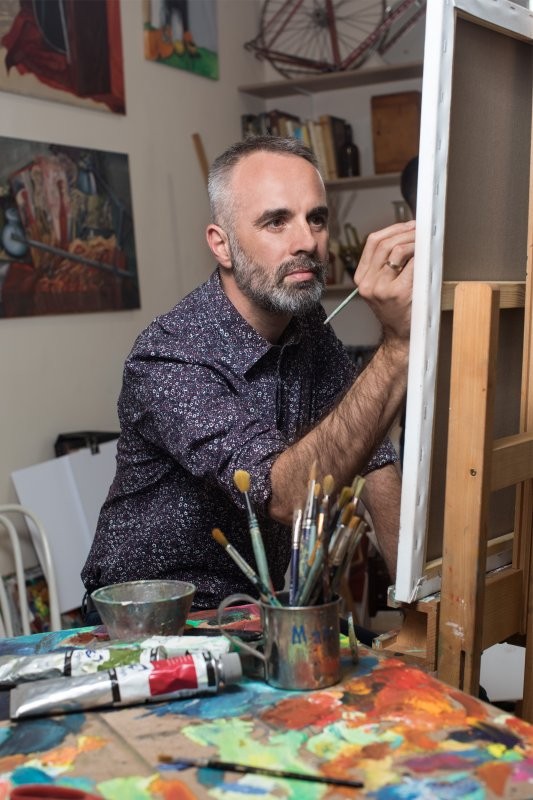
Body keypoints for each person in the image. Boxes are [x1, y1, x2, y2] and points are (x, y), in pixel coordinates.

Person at [81, 135, 414, 617]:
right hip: (153, 624)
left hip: (257, 611)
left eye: (316, 218)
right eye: (276, 221)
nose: (307, 242)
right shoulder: (169, 356)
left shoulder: (307, 326)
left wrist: (418, 603)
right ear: (222, 245)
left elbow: (372, 457)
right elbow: (287, 497)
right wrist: (397, 346)